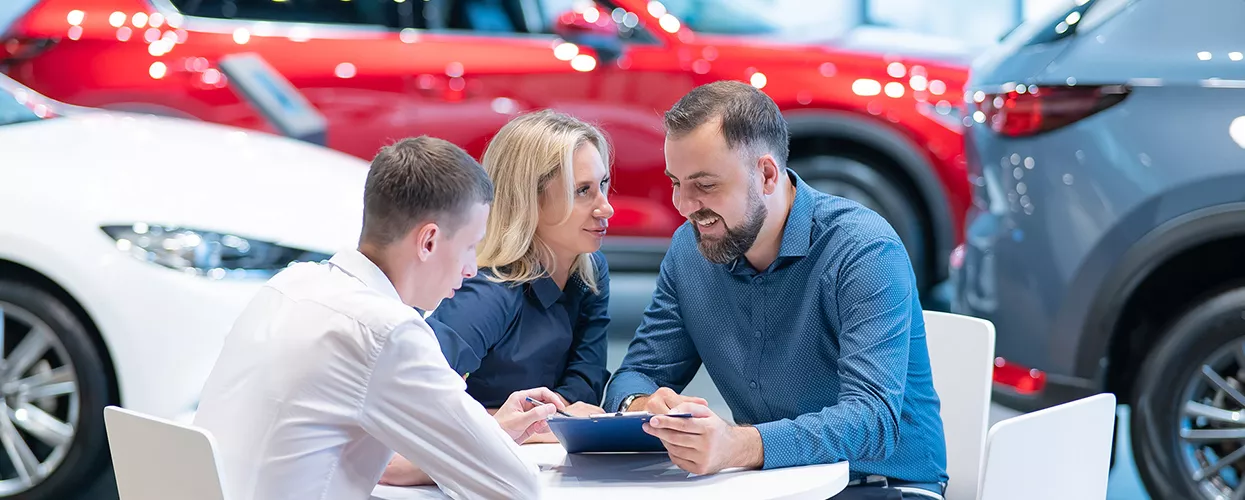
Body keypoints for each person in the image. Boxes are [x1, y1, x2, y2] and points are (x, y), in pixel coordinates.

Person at [603, 81, 950, 499]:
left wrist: (739, 445)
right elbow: (639, 373)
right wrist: (643, 407)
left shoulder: (863, 249)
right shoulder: (690, 250)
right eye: (676, 182)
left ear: (767, 174)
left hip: (885, 486)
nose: (683, 204)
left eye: (705, 185)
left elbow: (871, 420)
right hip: (767, 483)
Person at [193, 137, 563, 500]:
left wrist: (481, 436)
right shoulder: (387, 331)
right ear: (429, 241)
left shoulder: (289, 284)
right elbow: (515, 485)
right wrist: (482, 443)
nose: (471, 269)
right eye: (470, 247)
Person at [380, 110, 614, 486]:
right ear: (530, 199)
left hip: (536, 471)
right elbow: (407, 404)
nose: (607, 207)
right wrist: (507, 423)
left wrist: (535, 422)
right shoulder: (490, 290)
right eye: (583, 191)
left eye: (603, 184)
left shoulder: (589, 270)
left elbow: (582, 390)